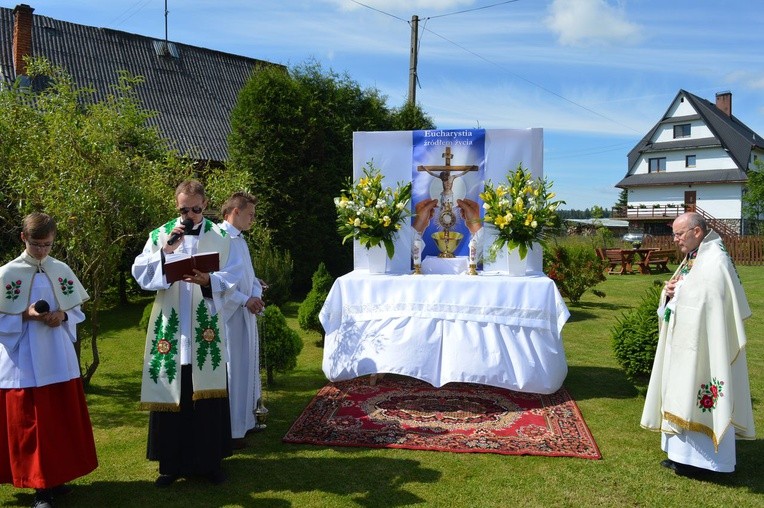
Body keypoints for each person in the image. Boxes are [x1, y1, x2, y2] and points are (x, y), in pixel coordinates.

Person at [132, 180, 242, 487]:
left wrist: (208, 280)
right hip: (172, 326)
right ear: (176, 205)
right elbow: (140, 272)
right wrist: (166, 251)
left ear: (205, 205)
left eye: (195, 209)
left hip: (204, 326)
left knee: (204, 399)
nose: (190, 215)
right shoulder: (160, 235)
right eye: (184, 209)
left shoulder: (220, 236)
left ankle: (208, 464)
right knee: (173, 392)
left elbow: (234, 276)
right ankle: (171, 464)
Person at [640, 212, 755, 477]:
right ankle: (679, 455)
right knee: (680, 391)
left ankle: (708, 463)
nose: (675, 239)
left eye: (679, 234)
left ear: (697, 232)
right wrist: (668, 293)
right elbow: (687, 293)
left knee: (698, 390)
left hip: (704, 345)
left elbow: (711, 298)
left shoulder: (715, 260)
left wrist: (681, 292)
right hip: (684, 343)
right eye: (674, 233)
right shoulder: (694, 258)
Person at [0, 212, 97, 508]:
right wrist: (26, 315)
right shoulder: (7, 273)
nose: (42, 250)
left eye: (48, 244)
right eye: (37, 244)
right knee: (31, 423)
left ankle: (58, 476)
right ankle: (39, 486)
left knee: (58, 418)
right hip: (24, 357)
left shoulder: (60, 268)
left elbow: (76, 309)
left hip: (57, 355)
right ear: (23, 238)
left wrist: (63, 315)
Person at [219, 192, 265, 449]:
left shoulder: (240, 240)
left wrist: (255, 292)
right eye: (250, 215)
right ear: (235, 212)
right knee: (233, 370)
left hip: (245, 312)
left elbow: (248, 275)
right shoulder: (220, 239)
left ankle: (247, 421)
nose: (252, 220)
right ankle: (232, 429)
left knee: (247, 367)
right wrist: (243, 299)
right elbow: (215, 280)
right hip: (230, 316)